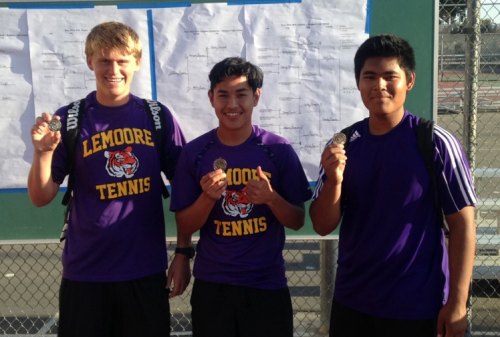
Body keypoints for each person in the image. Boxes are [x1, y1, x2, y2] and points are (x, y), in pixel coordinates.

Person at [27, 21, 190, 337]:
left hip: (144, 271)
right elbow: (40, 196)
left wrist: (183, 253)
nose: (113, 69)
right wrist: (43, 154)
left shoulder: (157, 117)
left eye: (122, 61)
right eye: (104, 60)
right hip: (86, 273)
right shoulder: (71, 118)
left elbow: (184, 191)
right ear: (90, 62)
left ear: (137, 63)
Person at [310, 34, 477, 337]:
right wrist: (334, 181)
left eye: (390, 76)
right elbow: (322, 225)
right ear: (358, 83)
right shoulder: (343, 144)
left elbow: (463, 224)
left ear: (409, 81)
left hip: (417, 306)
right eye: (369, 77)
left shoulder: (436, 142)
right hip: (353, 305)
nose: (379, 86)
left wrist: (457, 303)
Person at [169, 56, 312, 337]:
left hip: (266, 284)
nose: (232, 105)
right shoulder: (195, 152)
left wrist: (271, 199)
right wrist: (208, 198)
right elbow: (185, 224)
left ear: (256, 97)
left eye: (241, 94)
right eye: (223, 95)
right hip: (213, 285)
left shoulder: (278, 150)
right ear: (211, 98)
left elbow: (297, 220)